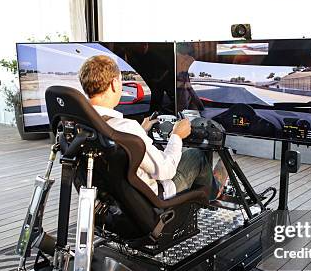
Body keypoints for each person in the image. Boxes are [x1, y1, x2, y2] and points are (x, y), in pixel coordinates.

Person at [78, 55, 227, 200]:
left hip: (115, 197)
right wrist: (177, 136)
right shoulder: (126, 128)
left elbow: (121, 151)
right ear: (113, 84)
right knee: (195, 156)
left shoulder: (81, 124)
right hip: (153, 196)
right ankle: (215, 190)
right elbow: (165, 171)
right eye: (121, 81)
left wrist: (141, 132)